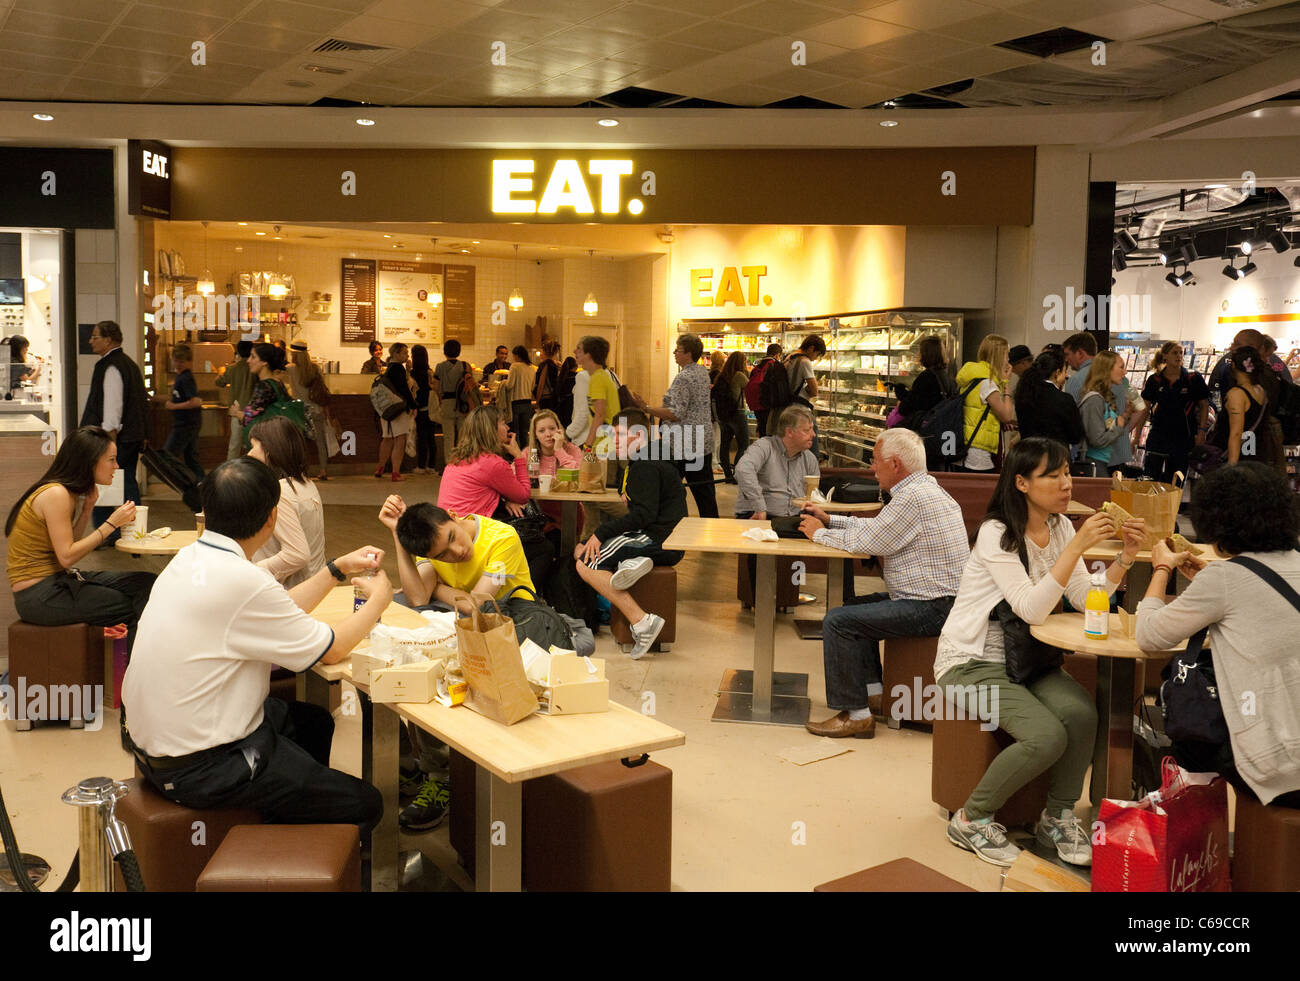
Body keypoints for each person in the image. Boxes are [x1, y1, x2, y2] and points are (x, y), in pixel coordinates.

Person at [123, 457, 389, 837]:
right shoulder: (243, 580)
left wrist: (337, 569)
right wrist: (380, 599)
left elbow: (281, 609)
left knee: (312, 722)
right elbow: (330, 651)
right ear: (272, 518)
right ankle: (282, 838)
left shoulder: (193, 557)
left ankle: (291, 806)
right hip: (201, 769)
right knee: (367, 803)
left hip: (157, 748)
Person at [936, 437, 1146, 867]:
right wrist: (1076, 549)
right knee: (1046, 735)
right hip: (971, 662)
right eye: (1052, 475)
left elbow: (1088, 595)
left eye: (1067, 472)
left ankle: (1058, 815)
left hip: (1029, 660)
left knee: (1083, 714)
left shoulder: (1061, 527)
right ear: (1022, 483)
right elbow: (1032, 607)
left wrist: (1124, 558)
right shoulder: (998, 534)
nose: (1066, 484)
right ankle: (971, 819)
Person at [1136, 462, 1300, 808]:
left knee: (1190, 725)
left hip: (1277, 766)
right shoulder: (1294, 562)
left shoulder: (1224, 579)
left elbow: (1149, 635)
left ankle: (1191, 840)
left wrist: (1162, 568)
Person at [799, 428, 968, 738]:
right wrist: (830, 519)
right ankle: (875, 694)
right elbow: (879, 528)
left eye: (875, 461)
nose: (872, 468)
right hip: (941, 602)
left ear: (895, 464)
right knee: (853, 607)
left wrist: (818, 533)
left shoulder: (913, 498)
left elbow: (871, 540)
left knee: (838, 621)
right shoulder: (924, 489)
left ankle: (856, 714)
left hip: (932, 608)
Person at [379, 496, 534, 830]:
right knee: (409, 659)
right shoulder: (433, 549)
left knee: (427, 659)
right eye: (441, 556)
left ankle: (447, 773)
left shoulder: (502, 537)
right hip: (463, 629)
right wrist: (399, 538)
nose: (457, 553)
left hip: (513, 629)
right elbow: (420, 596)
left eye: (452, 538)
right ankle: (430, 769)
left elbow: (477, 603)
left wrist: (439, 590)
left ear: (452, 516)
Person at [6, 426, 155, 655]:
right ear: (90, 462)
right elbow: (66, 556)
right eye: (111, 460)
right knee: (130, 606)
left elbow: (66, 546)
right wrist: (111, 524)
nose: (116, 467)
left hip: (56, 581)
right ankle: (134, 680)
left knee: (146, 582)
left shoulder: (66, 492)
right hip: (39, 596)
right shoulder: (56, 494)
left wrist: (87, 509)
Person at [575, 407, 686, 659]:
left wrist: (601, 533)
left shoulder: (645, 465)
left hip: (657, 540)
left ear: (638, 435)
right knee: (588, 548)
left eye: (620, 434)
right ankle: (634, 561)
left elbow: (642, 516)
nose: (614, 440)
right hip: (666, 540)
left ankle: (642, 621)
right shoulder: (653, 459)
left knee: (585, 562)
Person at [80, 321, 148, 545]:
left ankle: (109, 533)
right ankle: (131, 530)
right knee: (125, 482)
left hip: (116, 437)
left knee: (111, 482)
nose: (91, 341)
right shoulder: (128, 364)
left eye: (95, 337)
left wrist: (108, 440)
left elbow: (112, 407)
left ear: (108, 340)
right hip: (131, 436)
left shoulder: (111, 366)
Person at [638, 333, 718, 518]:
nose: (674, 353)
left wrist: (646, 407)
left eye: (678, 350)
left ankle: (665, 524)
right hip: (701, 439)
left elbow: (675, 413)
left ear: (688, 353)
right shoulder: (702, 373)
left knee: (669, 489)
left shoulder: (683, 377)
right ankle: (713, 528)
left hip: (683, 442)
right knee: (705, 493)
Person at [247, 416, 325, 589]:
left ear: (270, 450)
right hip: (313, 585)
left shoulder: (279, 492)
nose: (249, 454)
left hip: (287, 592)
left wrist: (251, 571)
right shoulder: (305, 483)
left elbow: (297, 554)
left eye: (254, 447)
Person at [437, 404, 530, 520]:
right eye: (503, 423)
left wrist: (507, 501)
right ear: (491, 429)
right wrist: (519, 456)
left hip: (446, 524)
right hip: (469, 530)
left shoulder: (457, 458)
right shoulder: (493, 463)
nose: (507, 427)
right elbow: (523, 496)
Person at [1140, 340, 1209, 483]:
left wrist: (1201, 431)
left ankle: (1172, 506)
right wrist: (1136, 436)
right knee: (1150, 479)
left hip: (1183, 437)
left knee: (1176, 482)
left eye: (1181, 353)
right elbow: (1144, 408)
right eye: (1174, 353)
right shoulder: (1155, 380)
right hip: (1158, 436)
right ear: (1165, 356)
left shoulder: (1193, 378)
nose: (1179, 356)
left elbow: (1204, 405)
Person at [734, 404, 818, 519]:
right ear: (789, 432)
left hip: (792, 519)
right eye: (807, 430)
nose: (813, 434)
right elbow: (743, 470)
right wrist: (759, 507)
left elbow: (813, 496)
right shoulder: (764, 447)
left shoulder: (809, 458)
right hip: (757, 516)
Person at [1211, 345, 1286, 474]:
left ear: (1233, 365)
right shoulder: (1260, 390)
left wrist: (1231, 468)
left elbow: (1236, 434)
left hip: (1240, 461)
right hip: (1257, 457)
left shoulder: (1237, 394)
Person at [954, 333, 1015, 472]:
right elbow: (1006, 416)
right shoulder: (987, 383)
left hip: (965, 446)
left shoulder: (973, 377)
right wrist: (1006, 385)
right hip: (978, 453)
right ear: (998, 355)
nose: (1008, 360)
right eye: (1007, 355)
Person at [517, 408, 581, 533]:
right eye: (541, 430)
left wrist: (559, 450)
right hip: (538, 518)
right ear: (535, 435)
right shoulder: (527, 454)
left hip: (569, 514)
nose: (548, 434)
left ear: (559, 430)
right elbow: (512, 479)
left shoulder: (572, 450)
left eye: (552, 429)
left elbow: (576, 477)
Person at [1011, 349, 1083, 449]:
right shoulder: (1064, 399)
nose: (1066, 375)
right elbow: (1075, 436)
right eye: (1064, 371)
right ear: (1057, 373)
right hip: (1056, 456)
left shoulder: (1023, 395)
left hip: (1029, 455)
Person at [1077, 351, 1131, 476]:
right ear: (1107, 369)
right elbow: (1097, 440)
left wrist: (1126, 415)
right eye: (1121, 367)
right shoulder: (1094, 400)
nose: (1125, 372)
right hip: (1094, 464)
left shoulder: (1105, 397)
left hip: (1102, 462)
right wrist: (1118, 426)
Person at [288, 339, 332, 480]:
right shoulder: (315, 368)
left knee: (299, 443)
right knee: (320, 441)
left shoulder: (290, 369)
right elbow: (322, 390)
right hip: (316, 409)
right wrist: (326, 409)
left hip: (298, 411)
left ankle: (301, 471)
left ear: (293, 354)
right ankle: (323, 470)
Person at [163, 342, 204, 483]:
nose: (178, 364)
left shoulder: (186, 378)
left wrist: (173, 407)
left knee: (168, 455)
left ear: (189, 361)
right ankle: (200, 484)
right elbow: (176, 398)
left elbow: (195, 401)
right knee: (190, 458)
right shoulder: (181, 377)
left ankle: (187, 483)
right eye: (176, 360)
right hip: (188, 423)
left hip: (186, 424)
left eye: (182, 361)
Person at [374, 344, 416, 481]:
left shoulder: (389, 368)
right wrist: (413, 405)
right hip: (398, 409)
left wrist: (408, 370)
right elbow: (405, 390)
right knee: (400, 439)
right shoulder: (398, 369)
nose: (407, 355)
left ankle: (380, 467)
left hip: (386, 409)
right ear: (396, 354)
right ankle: (395, 473)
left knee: (387, 439)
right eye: (404, 353)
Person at [240, 342, 291, 445]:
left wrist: (236, 413)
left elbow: (250, 416)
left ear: (264, 362)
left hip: (267, 441)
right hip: (280, 438)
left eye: (253, 357)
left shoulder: (263, 386)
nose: (248, 360)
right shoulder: (277, 382)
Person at [714, 351, 750, 484]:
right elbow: (750, 387)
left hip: (723, 415)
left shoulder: (722, 375)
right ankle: (736, 475)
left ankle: (728, 475)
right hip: (737, 413)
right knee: (744, 444)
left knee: (725, 444)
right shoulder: (739, 375)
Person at [434, 338, 469, 473]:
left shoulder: (440, 367)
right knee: (462, 436)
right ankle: (462, 463)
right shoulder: (465, 366)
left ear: (445, 351)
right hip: (462, 404)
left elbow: (436, 386)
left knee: (448, 436)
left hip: (447, 402)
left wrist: (440, 398)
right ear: (459, 351)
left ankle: (449, 464)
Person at [216, 340, 254, 461]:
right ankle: (254, 471)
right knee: (253, 445)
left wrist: (220, 371)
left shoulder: (232, 369)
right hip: (253, 412)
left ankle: (230, 472)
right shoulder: (255, 368)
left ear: (238, 352)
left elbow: (218, 382)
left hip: (236, 411)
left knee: (234, 445)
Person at [501, 345, 537, 450]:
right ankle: (526, 454)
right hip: (528, 403)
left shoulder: (515, 366)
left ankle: (516, 455)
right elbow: (533, 386)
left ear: (517, 355)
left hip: (515, 403)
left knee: (515, 432)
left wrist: (502, 383)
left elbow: (509, 385)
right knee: (525, 432)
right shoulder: (532, 368)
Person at [408, 343, 435, 475]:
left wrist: (407, 370)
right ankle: (432, 466)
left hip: (419, 408)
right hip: (431, 408)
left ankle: (421, 465)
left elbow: (410, 390)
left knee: (422, 437)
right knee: (431, 437)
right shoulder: (430, 372)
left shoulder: (413, 373)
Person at [749, 342, 783, 439]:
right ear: (777, 355)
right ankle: (768, 452)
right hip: (769, 406)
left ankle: (762, 450)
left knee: (762, 430)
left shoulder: (757, 366)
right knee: (770, 433)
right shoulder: (775, 365)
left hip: (756, 405)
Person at [1061, 331, 1098, 403]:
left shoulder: (1075, 380)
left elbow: (1072, 412)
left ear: (1080, 353)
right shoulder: (1113, 375)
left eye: (1067, 354)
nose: (1066, 359)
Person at [534, 339, 562, 415]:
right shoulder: (556, 365)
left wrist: (537, 399)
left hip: (545, 398)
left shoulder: (545, 364)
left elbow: (541, 383)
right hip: (553, 397)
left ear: (545, 351)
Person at [555, 355, 579, 428]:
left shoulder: (561, 378)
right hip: (573, 407)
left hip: (562, 408)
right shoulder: (577, 377)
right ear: (575, 367)